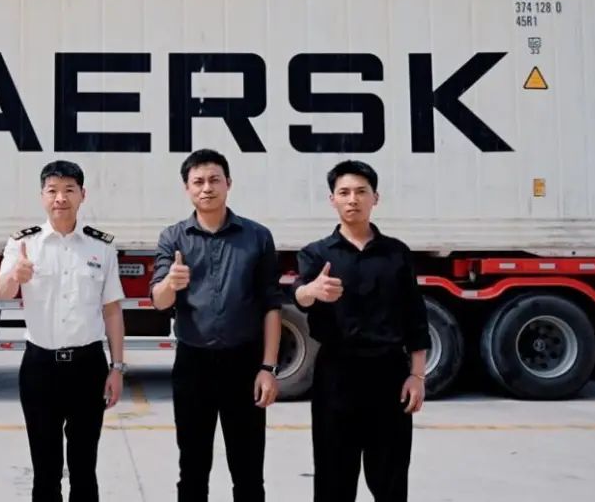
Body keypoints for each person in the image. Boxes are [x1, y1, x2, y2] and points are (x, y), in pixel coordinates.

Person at [149, 148, 284, 502]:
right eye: (198, 182)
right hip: (193, 365)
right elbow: (159, 300)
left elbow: (271, 305)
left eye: (214, 180)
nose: (206, 188)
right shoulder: (173, 238)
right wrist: (171, 283)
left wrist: (268, 368)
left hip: (245, 364)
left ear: (228, 184)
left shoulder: (257, 236)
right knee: (192, 469)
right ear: (187, 188)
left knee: (248, 470)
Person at [292, 159, 430, 502]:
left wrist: (417, 376)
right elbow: (299, 295)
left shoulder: (396, 253)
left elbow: (415, 316)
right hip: (336, 375)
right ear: (332, 200)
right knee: (333, 477)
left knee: (391, 478)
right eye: (344, 192)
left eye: (360, 191)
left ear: (375, 198)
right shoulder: (316, 254)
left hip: (389, 374)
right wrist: (312, 291)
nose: (352, 199)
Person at [0, 160, 127, 502]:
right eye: (52, 190)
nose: (60, 198)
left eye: (69, 190)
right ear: (42, 196)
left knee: (84, 468)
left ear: (83, 195)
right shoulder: (24, 243)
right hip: (40, 367)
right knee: (45, 470)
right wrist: (16, 275)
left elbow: (112, 310)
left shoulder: (101, 246)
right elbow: (1, 292)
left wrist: (117, 368)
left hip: (88, 367)